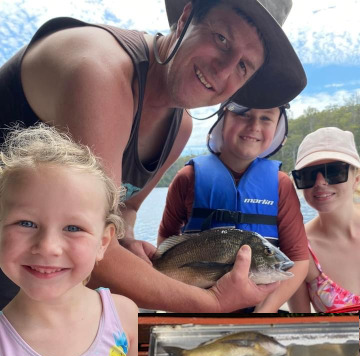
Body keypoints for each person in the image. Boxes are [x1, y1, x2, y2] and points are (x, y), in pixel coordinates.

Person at [0, 0, 307, 313]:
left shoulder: (180, 127)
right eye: (222, 39)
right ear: (186, 18)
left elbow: (126, 206)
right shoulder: (101, 70)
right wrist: (212, 302)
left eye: (244, 66)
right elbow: (87, 243)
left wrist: (127, 241)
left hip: (39, 278)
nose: (224, 70)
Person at [0, 125, 138, 356]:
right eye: (25, 222)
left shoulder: (122, 315)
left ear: (104, 242)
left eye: (73, 228)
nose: (48, 246)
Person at [158, 102, 309, 312]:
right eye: (242, 113)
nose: (254, 126)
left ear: (277, 128)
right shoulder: (187, 177)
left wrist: (264, 312)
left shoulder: (281, 185)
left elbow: (299, 258)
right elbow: (167, 237)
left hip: (256, 310)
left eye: (266, 118)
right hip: (195, 308)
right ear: (222, 119)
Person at [289, 127, 360, 313]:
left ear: (356, 178)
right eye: (309, 175)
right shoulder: (299, 249)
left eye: (334, 171)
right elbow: (302, 328)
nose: (320, 182)